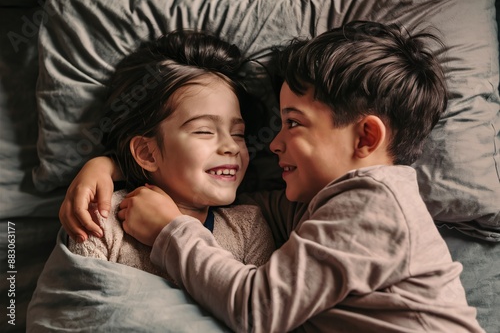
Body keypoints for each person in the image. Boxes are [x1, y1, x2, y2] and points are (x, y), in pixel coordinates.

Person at [60, 21, 484, 332]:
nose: (272, 144)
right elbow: (240, 203)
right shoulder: (323, 206)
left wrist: (170, 229)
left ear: (366, 136)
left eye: (294, 124)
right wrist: (113, 165)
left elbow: (258, 310)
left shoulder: (373, 205)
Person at [65, 30, 275, 282]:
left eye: (238, 133)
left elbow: (258, 306)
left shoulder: (248, 227)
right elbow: (82, 312)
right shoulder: (101, 220)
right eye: (204, 131)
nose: (231, 146)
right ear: (146, 152)